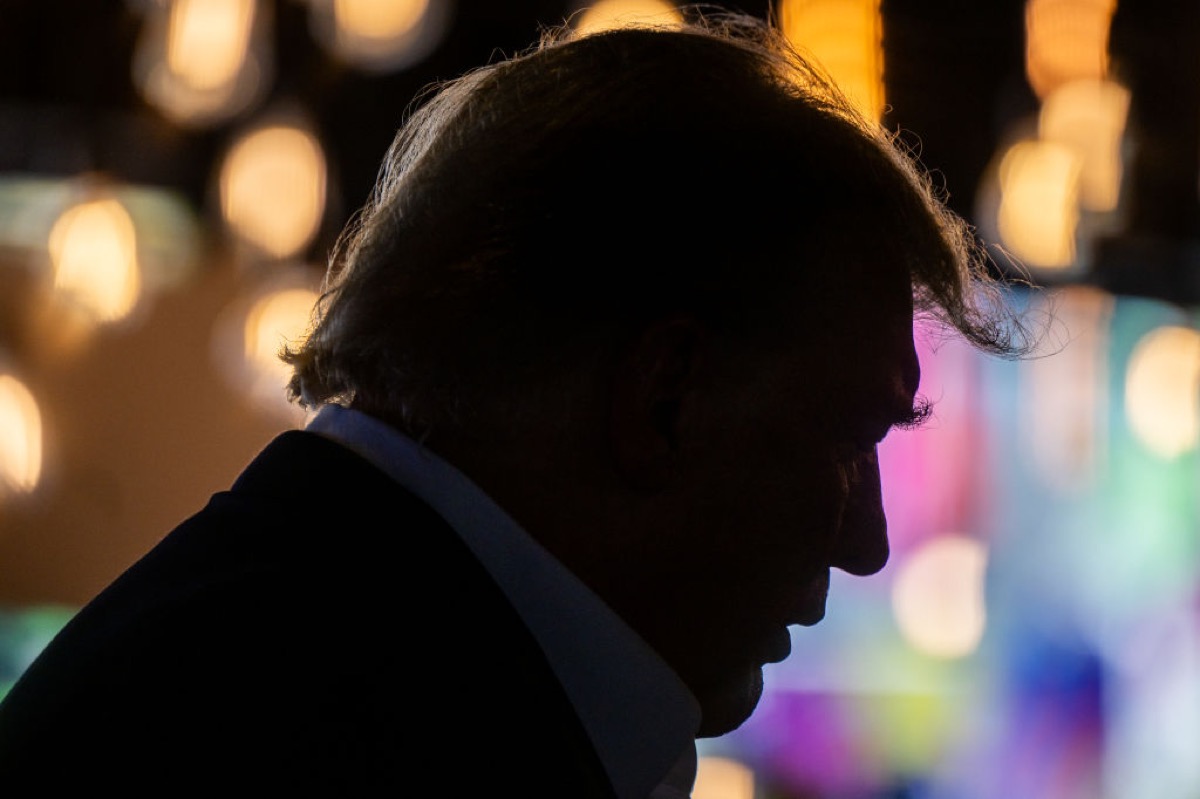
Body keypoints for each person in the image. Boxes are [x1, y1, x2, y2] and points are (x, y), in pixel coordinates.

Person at [0, 6, 1035, 796]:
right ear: (663, 397)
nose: (868, 543)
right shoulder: (333, 731)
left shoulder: (286, 652)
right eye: (849, 443)